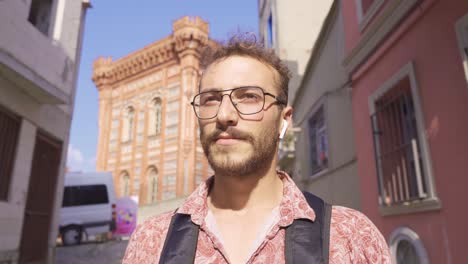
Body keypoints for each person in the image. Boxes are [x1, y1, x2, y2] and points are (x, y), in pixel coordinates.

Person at [123, 34, 391, 264]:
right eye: (211, 99)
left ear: (283, 120)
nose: (224, 114)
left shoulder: (351, 237)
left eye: (249, 97)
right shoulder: (151, 242)